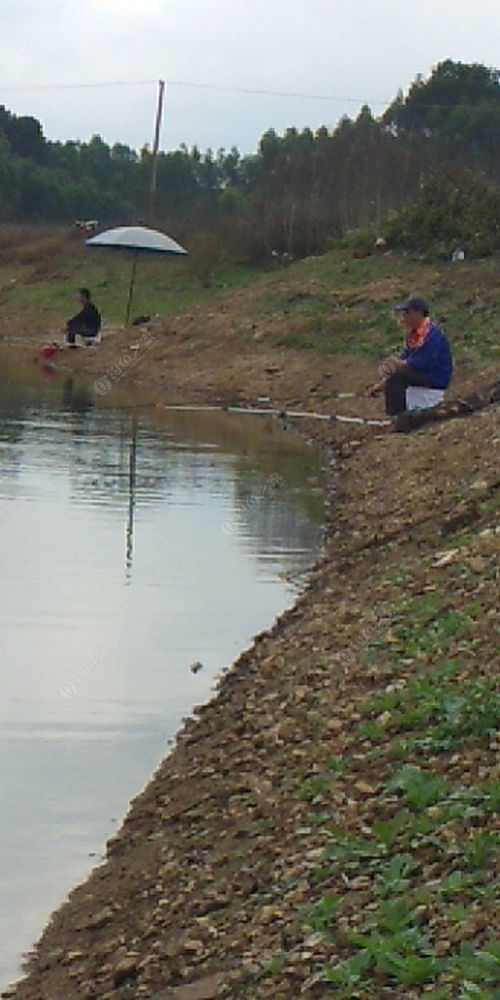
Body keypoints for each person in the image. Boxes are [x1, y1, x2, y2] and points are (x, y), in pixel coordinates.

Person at [367, 296, 452, 415]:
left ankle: (397, 416)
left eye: (407, 312)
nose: (404, 317)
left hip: (434, 378)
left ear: (418, 312)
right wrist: (381, 386)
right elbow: (405, 358)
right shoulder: (415, 336)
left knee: (396, 375)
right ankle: (396, 415)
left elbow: (426, 362)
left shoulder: (433, 334)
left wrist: (402, 365)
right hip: (424, 376)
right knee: (394, 375)